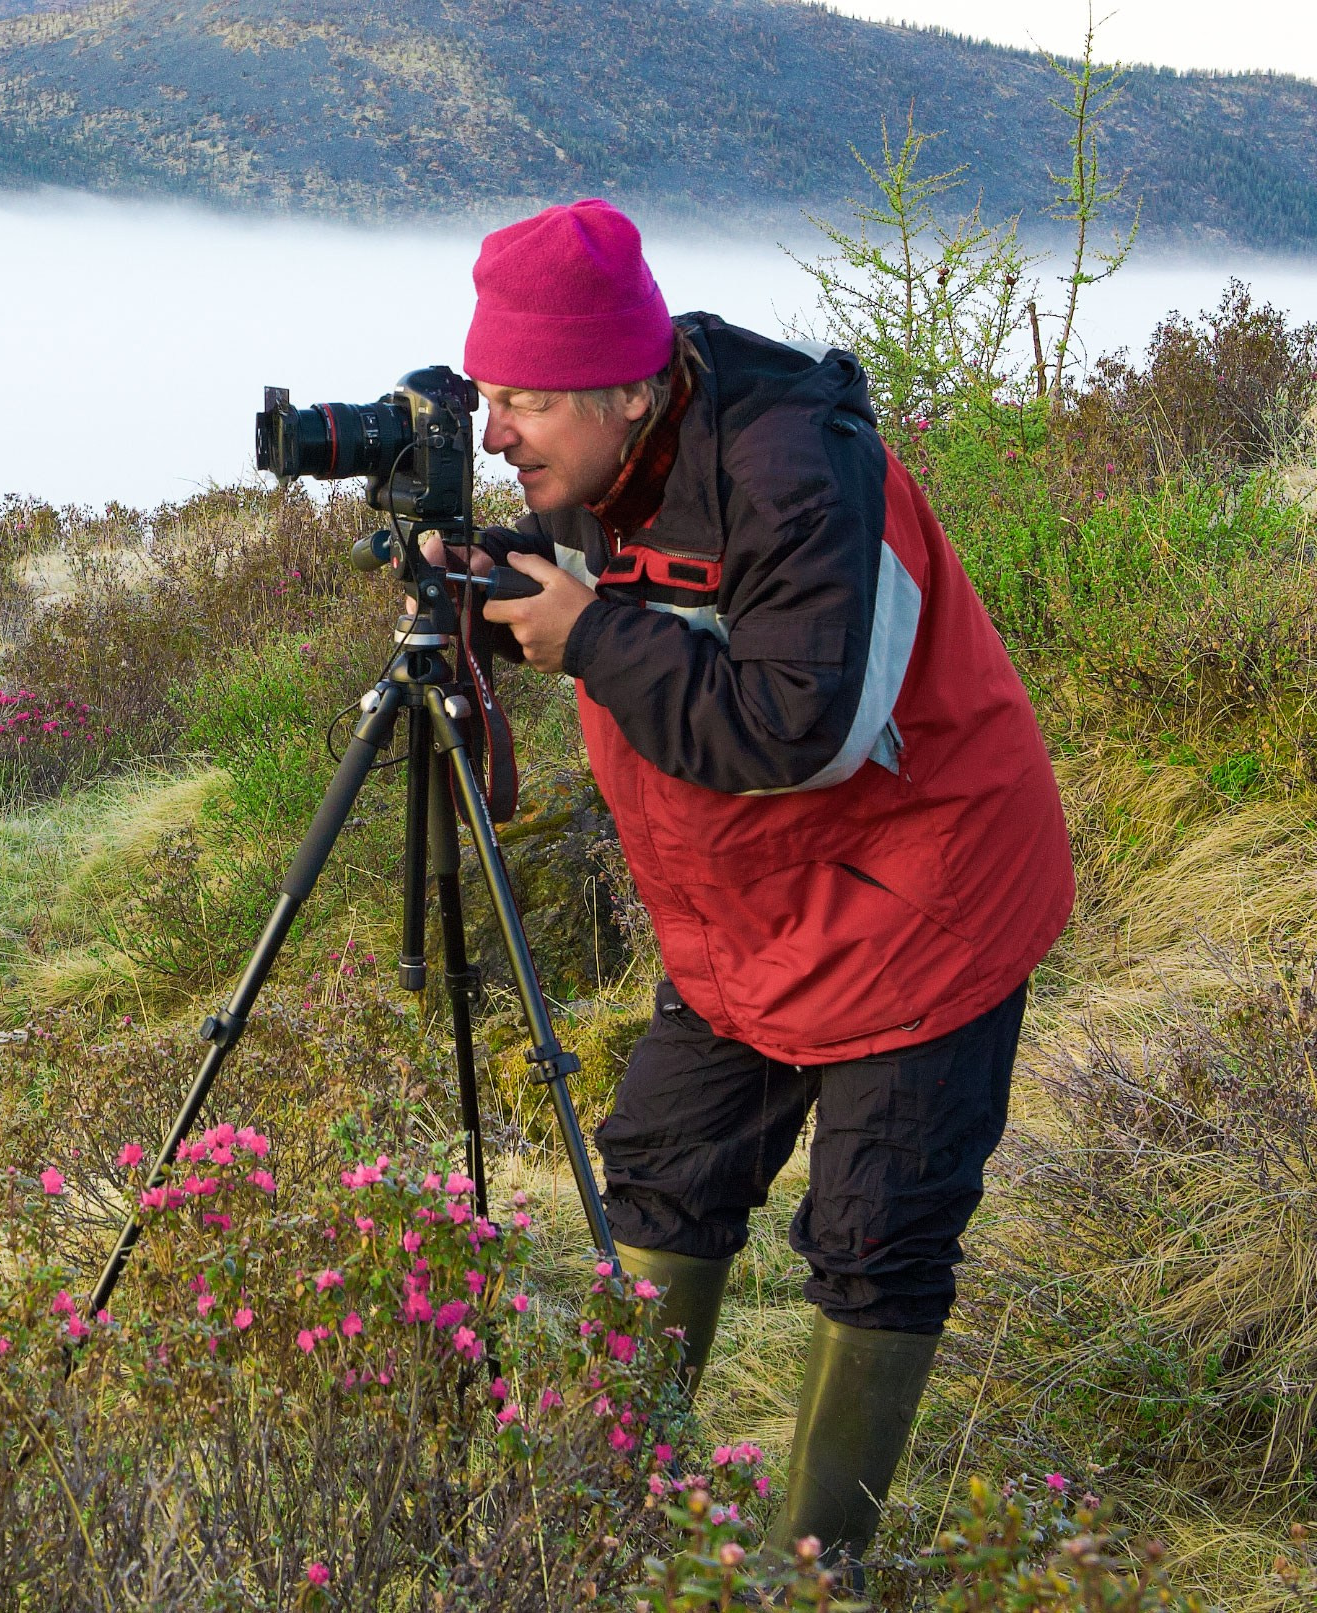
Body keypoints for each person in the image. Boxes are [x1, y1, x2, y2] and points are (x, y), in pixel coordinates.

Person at [448, 198, 1074, 1574]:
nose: (498, 432)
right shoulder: (601, 470)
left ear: (625, 384)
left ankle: (812, 1571)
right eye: (491, 393)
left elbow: (805, 724)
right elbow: (649, 628)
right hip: (744, 916)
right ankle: (621, 1534)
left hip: (922, 899)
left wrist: (591, 634)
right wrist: (508, 598)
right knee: (668, 1170)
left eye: (527, 401)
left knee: (875, 1231)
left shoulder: (793, 465)